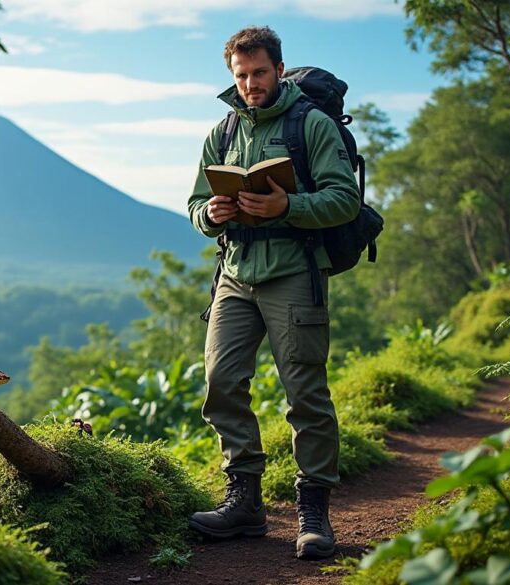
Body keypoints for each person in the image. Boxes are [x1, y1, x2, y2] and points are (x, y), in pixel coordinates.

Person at [185, 25, 360, 560]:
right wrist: (210, 215)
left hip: (293, 272)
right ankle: (244, 501)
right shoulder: (221, 131)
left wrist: (289, 207)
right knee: (220, 382)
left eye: (259, 72)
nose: (250, 84)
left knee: (304, 392)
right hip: (234, 275)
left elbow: (344, 200)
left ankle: (314, 511)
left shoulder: (312, 126)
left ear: (279, 70)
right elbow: (195, 205)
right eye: (241, 75)